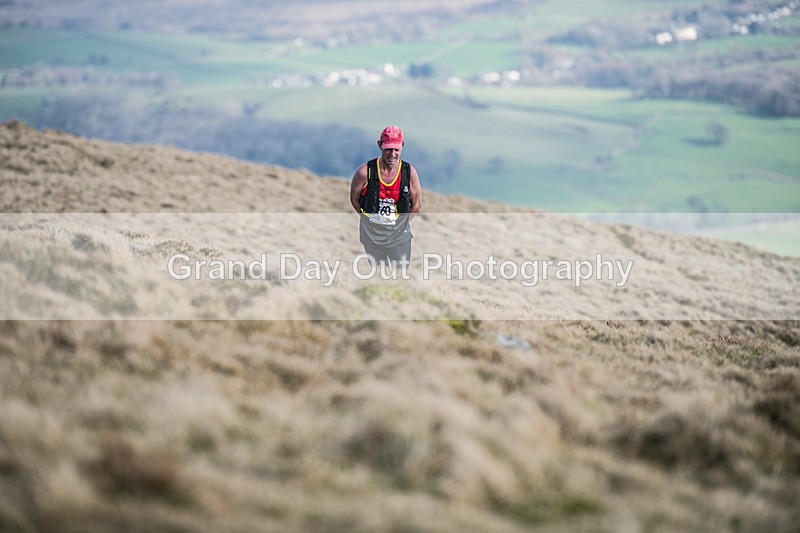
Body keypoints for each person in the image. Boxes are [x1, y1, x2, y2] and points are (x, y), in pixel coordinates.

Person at [350, 125, 423, 264]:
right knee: (378, 272)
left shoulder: (409, 172)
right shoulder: (365, 172)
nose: (392, 153)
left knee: (400, 274)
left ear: (402, 146)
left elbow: (417, 204)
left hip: (400, 234)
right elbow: (354, 198)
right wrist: (369, 219)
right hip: (372, 233)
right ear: (379, 145)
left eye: (396, 149)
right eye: (388, 148)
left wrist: (401, 224)